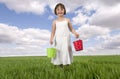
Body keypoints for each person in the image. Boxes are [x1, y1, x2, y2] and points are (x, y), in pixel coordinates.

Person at [50, 3, 79, 67]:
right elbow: (53, 32)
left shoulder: (67, 20)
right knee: (59, 51)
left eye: (61, 9)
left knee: (66, 50)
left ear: (64, 10)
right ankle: (59, 64)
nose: (60, 11)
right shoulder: (54, 22)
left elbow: (71, 29)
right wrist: (51, 39)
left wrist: (75, 33)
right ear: (55, 11)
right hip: (58, 39)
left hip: (66, 39)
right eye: (58, 9)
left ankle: (67, 63)